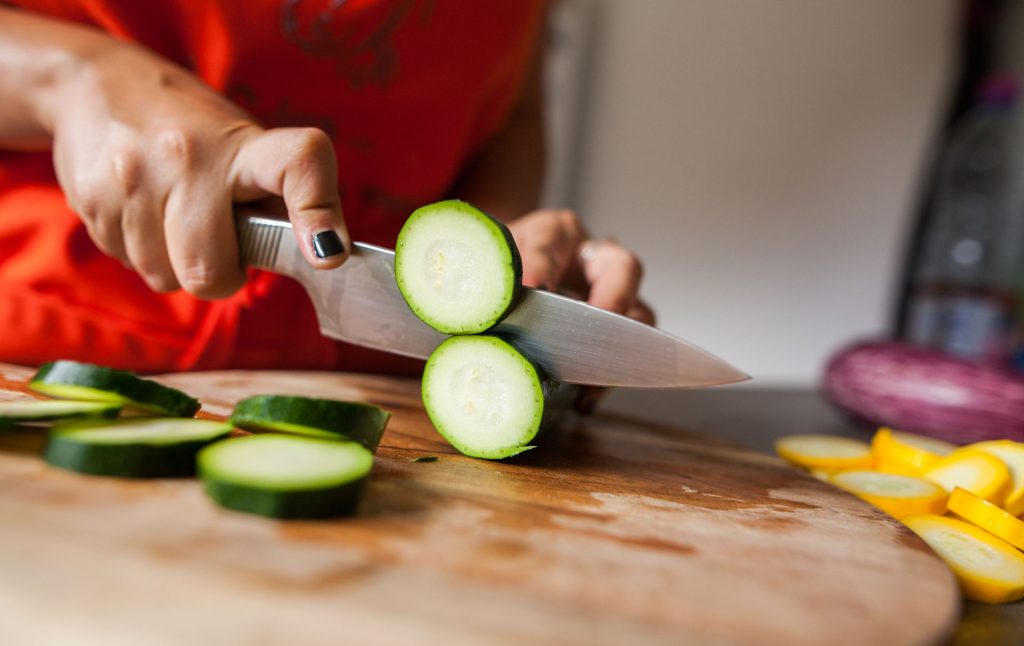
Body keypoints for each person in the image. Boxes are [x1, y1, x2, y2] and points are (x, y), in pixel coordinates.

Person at [0, 0, 651, 388]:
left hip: (387, 384)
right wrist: (73, 78)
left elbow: (512, 112)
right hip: (52, 337)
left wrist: (502, 250)